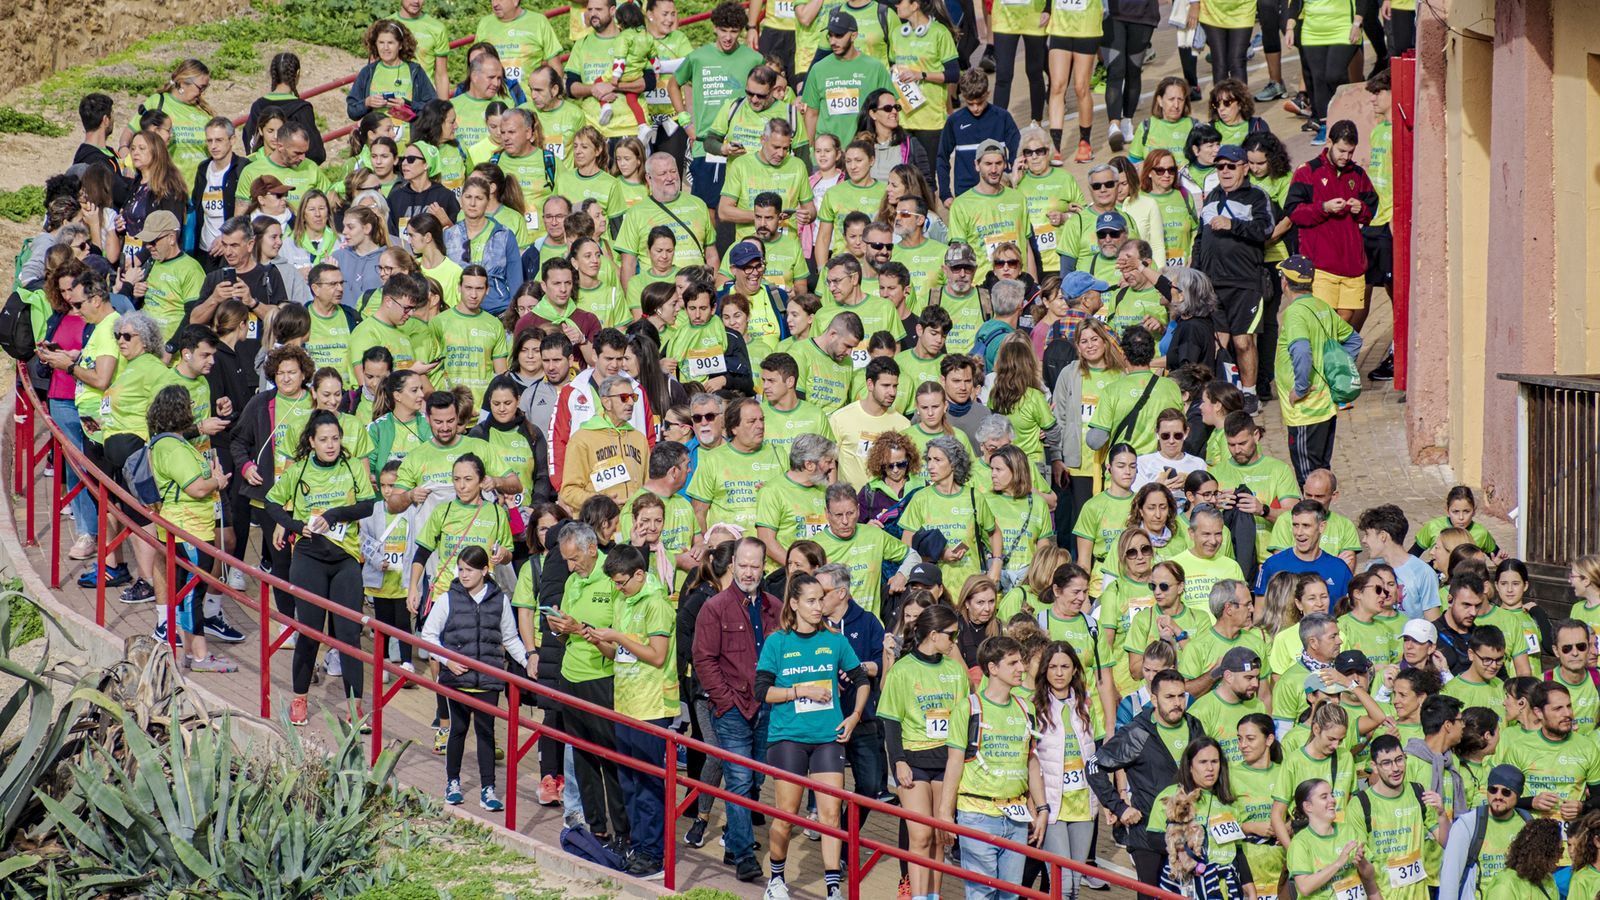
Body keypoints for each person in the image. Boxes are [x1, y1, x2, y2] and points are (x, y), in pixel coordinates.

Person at [263, 410, 377, 726]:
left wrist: (336, 514)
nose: (331, 445)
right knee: (310, 632)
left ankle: (356, 706)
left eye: (336, 439)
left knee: (348, 636)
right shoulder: (299, 471)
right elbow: (272, 502)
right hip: (309, 558)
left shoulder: (353, 467)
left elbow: (368, 505)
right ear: (311, 442)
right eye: (324, 440)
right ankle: (299, 700)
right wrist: (296, 525)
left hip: (345, 560)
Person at [693, 538, 783, 883]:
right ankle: (745, 854)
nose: (748, 572)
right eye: (742, 565)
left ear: (764, 568)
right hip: (732, 708)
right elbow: (703, 659)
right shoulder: (714, 607)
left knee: (757, 777)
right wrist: (725, 700)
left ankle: (734, 837)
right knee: (740, 778)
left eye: (755, 566)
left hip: (768, 706)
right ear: (732, 565)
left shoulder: (775, 607)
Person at [417, 543, 529, 812]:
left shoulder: (499, 599)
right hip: (457, 679)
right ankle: (452, 782)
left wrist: (528, 663)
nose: (463, 574)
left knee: (486, 733)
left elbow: (510, 637)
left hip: (488, 679)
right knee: (457, 730)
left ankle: (488, 789)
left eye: (469, 570)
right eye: (460, 569)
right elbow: (429, 635)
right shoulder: (448, 598)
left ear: (484, 570)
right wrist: (448, 660)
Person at [937, 635, 1046, 900]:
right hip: (977, 816)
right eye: (1013, 663)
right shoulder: (969, 708)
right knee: (981, 894)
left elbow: (1030, 760)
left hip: (1016, 818)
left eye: (1021, 661)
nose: (1022, 668)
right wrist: (944, 814)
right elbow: (954, 763)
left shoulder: (1025, 707)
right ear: (993, 668)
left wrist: (1041, 808)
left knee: (1010, 895)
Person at [1088, 668, 1205, 890]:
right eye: (1169, 697)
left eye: (1182, 696)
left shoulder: (1194, 726)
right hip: (1147, 835)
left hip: (1188, 832)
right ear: (1153, 698)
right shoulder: (1137, 733)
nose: (1178, 702)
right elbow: (1094, 766)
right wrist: (1120, 808)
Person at [879, 604, 965, 900]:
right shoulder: (902, 670)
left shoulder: (955, 670)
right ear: (933, 634)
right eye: (951, 634)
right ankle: (916, 896)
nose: (955, 640)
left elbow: (965, 718)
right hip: (913, 760)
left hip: (946, 763)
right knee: (920, 835)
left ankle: (933, 895)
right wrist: (898, 761)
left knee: (940, 838)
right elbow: (890, 721)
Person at [1190, 145, 1275, 414]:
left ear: (1245, 167)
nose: (1224, 171)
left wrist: (1232, 224)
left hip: (1245, 282)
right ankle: (1222, 394)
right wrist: (1195, 274)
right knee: (1218, 344)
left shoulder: (1256, 196)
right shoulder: (1212, 196)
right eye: (1220, 166)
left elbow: (1266, 229)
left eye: (1231, 166)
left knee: (1243, 341)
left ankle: (1249, 394)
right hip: (1213, 284)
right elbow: (1200, 239)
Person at [801, 11, 894, 150]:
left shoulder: (875, 68)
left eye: (838, 36)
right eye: (830, 35)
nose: (833, 41)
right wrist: (811, 150)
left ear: (853, 35)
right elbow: (812, 113)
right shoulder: (818, 69)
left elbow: (890, 109)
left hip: (864, 152)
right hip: (828, 154)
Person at [1439, 764, 1532, 900]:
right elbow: (1450, 879)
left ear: (1518, 795)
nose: (1498, 796)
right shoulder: (1467, 824)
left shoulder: (1527, 823)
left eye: (1506, 792)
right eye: (1493, 790)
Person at [1285, 776, 1380, 900]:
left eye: (1332, 795)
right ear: (1308, 806)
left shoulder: (1348, 830)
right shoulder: (1300, 843)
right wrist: (1338, 864)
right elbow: (1304, 887)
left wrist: (1362, 862)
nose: (1333, 800)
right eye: (1324, 797)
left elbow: (1370, 875)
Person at [1256, 500, 1353, 605]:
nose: (1299, 532)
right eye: (1295, 525)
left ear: (1322, 527)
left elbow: (1349, 613)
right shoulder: (1272, 565)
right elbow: (1259, 615)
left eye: (1306, 526)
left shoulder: (1339, 569)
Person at [1293, 0, 1363, 145]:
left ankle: (1348, 118)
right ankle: (1326, 125)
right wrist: (1289, 27)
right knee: (1318, 78)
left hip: (1344, 27)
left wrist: (1357, 23)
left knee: (1334, 75)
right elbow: (1295, 3)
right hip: (1312, 31)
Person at [1043, 0, 1102, 162]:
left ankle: (1085, 143)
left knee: (1081, 87)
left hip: (1086, 26)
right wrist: (1047, 9)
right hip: (1060, 27)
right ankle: (1055, 146)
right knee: (1057, 86)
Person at [1481, 818, 1563, 900]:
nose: (1561, 857)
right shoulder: (1505, 885)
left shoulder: (1548, 879)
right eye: (1559, 851)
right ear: (1543, 854)